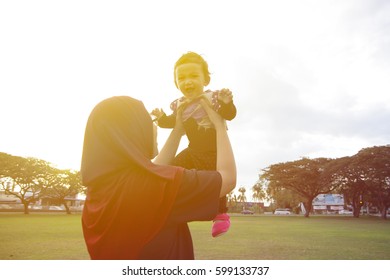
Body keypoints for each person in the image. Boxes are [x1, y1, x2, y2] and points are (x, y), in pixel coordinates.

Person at [81, 95, 236, 260]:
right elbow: (227, 179)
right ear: (134, 130)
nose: (154, 128)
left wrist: (177, 130)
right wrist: (219, 126)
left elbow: (154, 171)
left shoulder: (96, 194)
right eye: (150, 121)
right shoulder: (153, 187)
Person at [151, 51, 237, 237]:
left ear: (205, 80)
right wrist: (160, 118)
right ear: (176, 83)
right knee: (169, 171)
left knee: (218, 181)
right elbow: (172, 123)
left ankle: (221, 215)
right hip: (192, 150)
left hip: (214, 152)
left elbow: (229, 114)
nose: (187, 81)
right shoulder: (180, 104)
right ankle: (173, 205)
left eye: (193, 76)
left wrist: (227, 102)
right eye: (181, 78)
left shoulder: (213, 98)